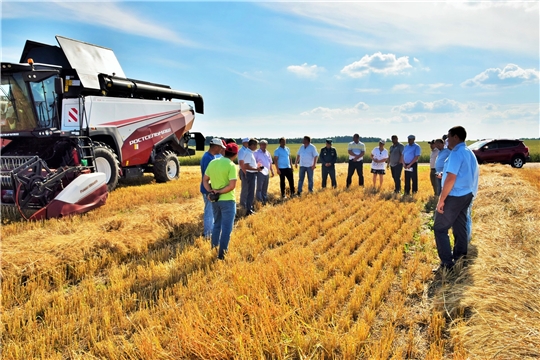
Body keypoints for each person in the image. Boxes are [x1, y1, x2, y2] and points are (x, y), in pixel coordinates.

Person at [434, 126, 479, 271]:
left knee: (440, 228)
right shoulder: (469, 152)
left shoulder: (456, 153)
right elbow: (463, 174)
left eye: (448, 136)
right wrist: (444, 176)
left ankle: (447, 264)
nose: (446, 140)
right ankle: (460, 257)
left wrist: (441, 200)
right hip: (467, 194)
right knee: (460, 226)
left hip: (455, 195)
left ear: (455, 137)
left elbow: (452, 177)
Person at [202, 142, 239, 260]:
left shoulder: (213, 162)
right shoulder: (231, 165)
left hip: (215, 201)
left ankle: (214, 247)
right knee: (227, 228)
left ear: (225, 151)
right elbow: (232, 186)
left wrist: (211, 192)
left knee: (217, 224)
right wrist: (219, 192)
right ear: (235, 154)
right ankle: (222, 255)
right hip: (228, 201)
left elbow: (205, 180)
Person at [200, 138, 226, 238]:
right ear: (215, 147)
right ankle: (208, 234)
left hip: (209, 188)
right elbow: (208, 176)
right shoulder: (208, 158)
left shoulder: (210, 157)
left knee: (211, 211)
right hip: (208, 189)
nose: (221, 150)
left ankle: (210, 232)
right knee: (209, 212)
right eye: (220, 148)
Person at [241, 138, 263, 216]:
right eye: (256, 145)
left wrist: (256, 166)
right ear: (252, 145)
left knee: (251, 192)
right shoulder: (248, 153)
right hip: (251, 174)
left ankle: (249, 208)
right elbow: (246, 166)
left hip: (252, 174)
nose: (256, 147)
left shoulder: (249, 152)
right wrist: (256, 169)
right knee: (251, 192)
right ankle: (248, 210)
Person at [254, 139, 274, 205]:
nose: (263, 146)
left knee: (265, 187)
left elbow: (270, 162)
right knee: (259, 188)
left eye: (265, 144)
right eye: (262, 144)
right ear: (260, 145)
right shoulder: (256, 153)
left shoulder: (268, 153)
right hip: (260, 172)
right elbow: (254, 162)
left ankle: (264, 200)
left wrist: (272, 170)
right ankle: (259, 201)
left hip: (267, 172)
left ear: (267, 145)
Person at [237, 137, 250, 210]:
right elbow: (241, 163)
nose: (248, 144)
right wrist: (246, 173)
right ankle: (243, 205)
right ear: (243, 143)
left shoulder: (248, 150)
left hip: (248, 171)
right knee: (245, 188)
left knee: (249, 188)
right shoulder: (241, 151)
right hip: (244, 170)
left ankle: (247, 203)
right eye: (247, 142)